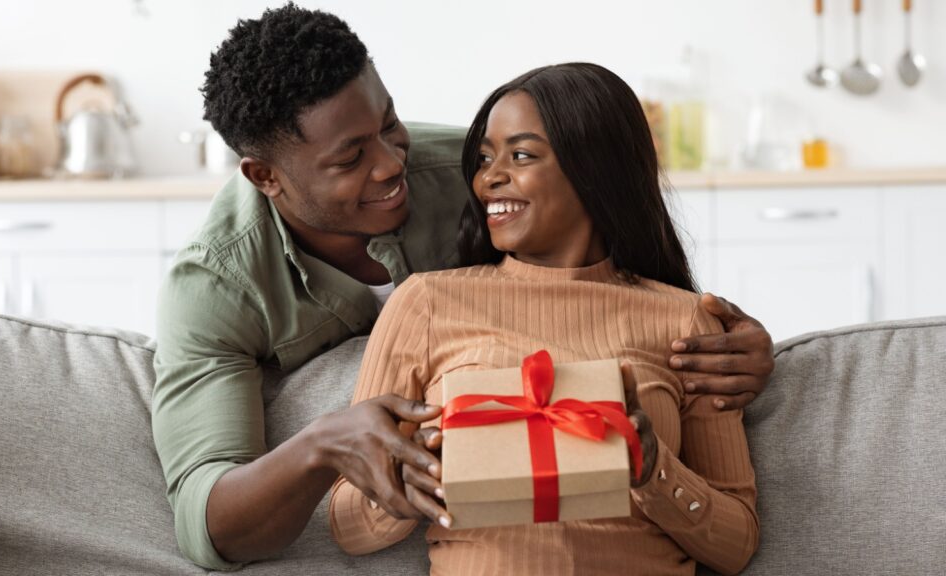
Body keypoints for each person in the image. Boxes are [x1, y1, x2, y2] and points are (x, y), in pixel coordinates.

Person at [152, 4, 772, 570]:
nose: (392, 163)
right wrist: (330, 444)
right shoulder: (217, 285)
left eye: (389, 123)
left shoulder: (471, 168)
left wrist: (736, 340)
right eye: (350, 160)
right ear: (266, 177)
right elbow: (209, 522)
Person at [329, 62, 759, 576]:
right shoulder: (425, 303)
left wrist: (653, 471)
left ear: (595, 169)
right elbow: (347, 526)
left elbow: (736, 545)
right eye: (485, 158)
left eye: (521, 155)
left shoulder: (685, 319)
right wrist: (413, 478)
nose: (489, 178)